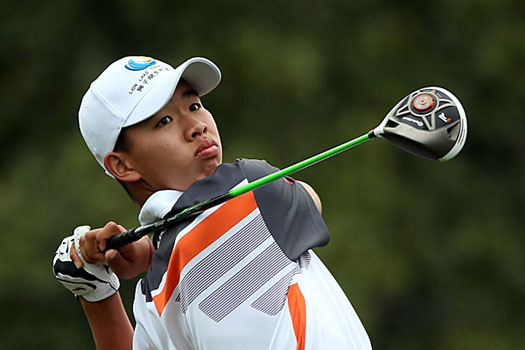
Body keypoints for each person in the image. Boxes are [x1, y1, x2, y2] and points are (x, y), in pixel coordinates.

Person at [52, 55, 372, 349]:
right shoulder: (248, 186)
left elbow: (200, 240)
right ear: (122, 166)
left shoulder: (155, 294)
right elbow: (308, 198)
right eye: (163, 121)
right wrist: (155, 252)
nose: (197, 126)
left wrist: (96, 293)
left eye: (193, 106)